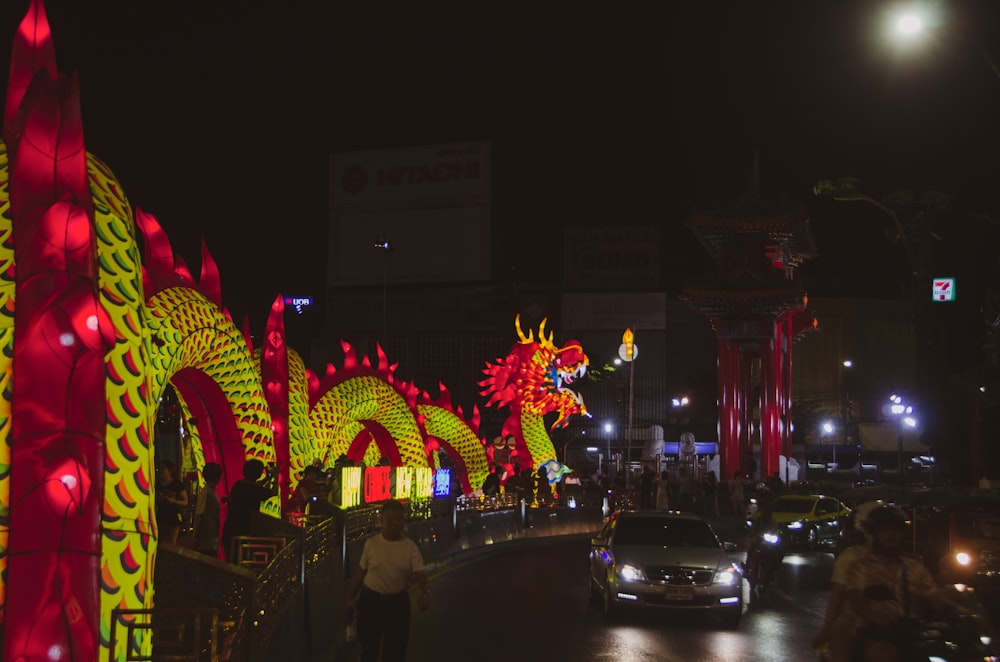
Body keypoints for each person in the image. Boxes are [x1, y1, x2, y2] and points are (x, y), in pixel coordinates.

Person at [846, 504, 965, 661]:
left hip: (914, 633)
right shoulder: (861, 567)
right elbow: (856, 599)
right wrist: (876, 617)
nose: (891, 535)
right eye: (884, 530)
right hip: (874, 635)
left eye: (895, 530)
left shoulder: (914, 567)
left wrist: (958, 611)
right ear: (874, 534)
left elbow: (934, 595)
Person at [345, 500, 430, 662]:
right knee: (369, 652)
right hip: (371, 603)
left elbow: (420, 573)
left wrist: (425, 593)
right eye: (390, 519)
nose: (395, 523)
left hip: (397, 605)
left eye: (399, 519)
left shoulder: (410, 547)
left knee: (395, 653)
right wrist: (350, 599)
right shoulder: (372, 544)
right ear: (381, 521)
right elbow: (360, 573)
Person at [811, 500, 882, 662]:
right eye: (882, 528)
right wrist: (827, 629)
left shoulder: (906, 562)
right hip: (855, 621)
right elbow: (837, 596)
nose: (889, 535)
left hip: (896, 623)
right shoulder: (852, 558)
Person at [221, 458, 276, 561]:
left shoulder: (238, 485)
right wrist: (276, 477)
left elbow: (253, 486)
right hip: (246, 531)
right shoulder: (255, 490)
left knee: (231, 562)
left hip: (231, 530)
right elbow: (274, 492)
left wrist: (267, 478)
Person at [193, 462, 223, 558]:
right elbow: (199, 515)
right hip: (206, 540)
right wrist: (196, 536)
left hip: (208, 539)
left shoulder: (207, 493)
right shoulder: (208, 494)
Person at [156, 461, 189, 544]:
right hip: (160, 516)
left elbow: (185, 501)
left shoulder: (177, 484)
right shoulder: (157, 484)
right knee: (159, 542)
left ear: (169, 470)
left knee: (171, 542)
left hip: (173, 517)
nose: (160, 471)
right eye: (159, 469)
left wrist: (174, 501)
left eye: (163, 468)